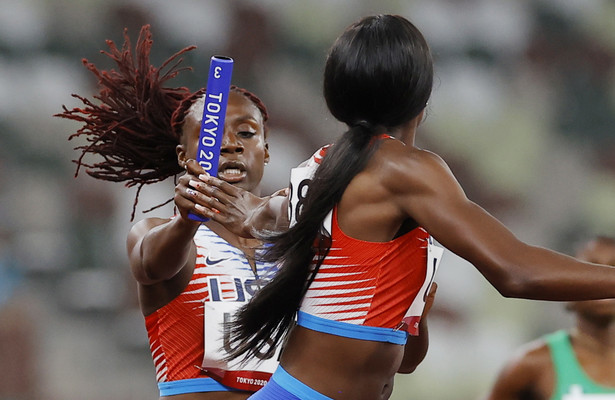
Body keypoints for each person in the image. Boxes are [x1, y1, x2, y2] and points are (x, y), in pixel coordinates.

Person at [184, 14, 615, 400]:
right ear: (421, 99)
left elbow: (406, 359)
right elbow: (517, 273)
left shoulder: (320, 168)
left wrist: (416, 307)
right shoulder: (406, 170)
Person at [55, 25, 283, 399]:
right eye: (215, 135)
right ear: (183, 156)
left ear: (267, 150)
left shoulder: (295, 243)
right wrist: (186, 223)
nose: (230, 146)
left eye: (246, 134)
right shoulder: (157, 233)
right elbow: (151, 266)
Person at [484, 236, 615, 400]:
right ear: (563, 287)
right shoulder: (533, 363)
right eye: (591, 272)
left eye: (612, 268)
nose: (603, 282)